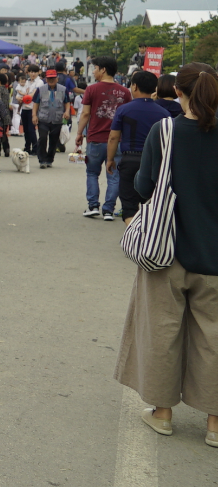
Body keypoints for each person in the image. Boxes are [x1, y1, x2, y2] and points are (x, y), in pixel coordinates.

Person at [115, 62, 218, 448]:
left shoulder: (167, 130)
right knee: (214, 336)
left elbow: (143, 187)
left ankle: (162, 414)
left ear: (178, 92)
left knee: (161, 329)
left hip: (168, 251)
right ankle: (214, 424)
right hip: (215, 255)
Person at [106, 71, 168, 222]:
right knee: (150, 202)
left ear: (134, 86)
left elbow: (113, 137)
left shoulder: (124, 109)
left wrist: (110, 159)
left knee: (129, 206)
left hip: (130, 158)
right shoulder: (164, 113)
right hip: (154, 161)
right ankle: (148, 237)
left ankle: (135, 238)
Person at [76, 56, 132, 221]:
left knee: (92, 172)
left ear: (103, 69)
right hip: (117, 141)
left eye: (95, 68)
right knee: (114, 175)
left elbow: (85, 113)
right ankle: (108, 210)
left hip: (95, 138)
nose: (93, 71)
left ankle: (93, 206)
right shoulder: (125, 92)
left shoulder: (91, 90)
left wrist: (79, 133)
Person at [30, 69, 70, 169]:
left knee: (54, 141)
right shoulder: (40, 89)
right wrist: (34, 115)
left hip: (57, 119)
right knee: (42, 138)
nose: (51, 80)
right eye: (49, 78)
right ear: (46, 79)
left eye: (53, 78)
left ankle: (49, 159)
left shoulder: (63, 89)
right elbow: (36, 103)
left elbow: (67, 102)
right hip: (43, 118)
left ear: (57, 78)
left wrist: (67, 111)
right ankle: (42, 160)